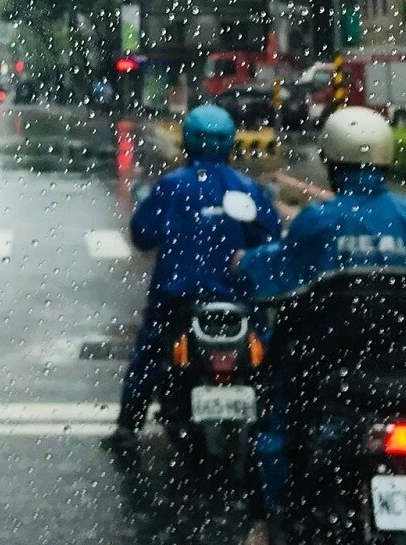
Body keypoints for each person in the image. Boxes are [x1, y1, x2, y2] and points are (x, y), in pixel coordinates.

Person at [235, 107, 406, 545]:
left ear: (332, 162)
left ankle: (269, 521)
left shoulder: (319, 220)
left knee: (276, 427)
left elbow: (274, 274)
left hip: (332, 379)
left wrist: (246, 263)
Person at [104, 104, 280, 452]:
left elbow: (141, 236)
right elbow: (271, 243)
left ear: (187, 142)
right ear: (230, 144)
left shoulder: (172, 186)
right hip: (241, 304)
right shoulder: (248, 189)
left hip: (177, 302)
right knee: (272, 357)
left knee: (150, 353)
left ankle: (128, 426)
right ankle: (277, 428)